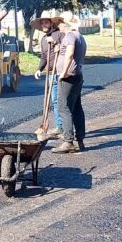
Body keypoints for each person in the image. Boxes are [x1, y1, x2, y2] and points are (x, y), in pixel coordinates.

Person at [53, 15, 87, 153]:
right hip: (77, 75)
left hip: (69, 76)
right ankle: (80, 141)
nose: (57, 27)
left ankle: (68, 142)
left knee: (63, 107)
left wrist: (63, 73)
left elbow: (70, 54)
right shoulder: (80, 36)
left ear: (64, 24)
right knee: (77, 108)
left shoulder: (70, 36)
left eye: (59, 23)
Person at [30, 16, 65, 139]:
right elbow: (44, 57)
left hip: (60, 72)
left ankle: (64, 126)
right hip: (50, 73)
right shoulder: (44, 39)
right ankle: (60, 126)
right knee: (54, 100)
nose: (44, 25)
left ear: (51, 23)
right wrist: (39, 69)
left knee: (60, 101)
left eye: (46, 22)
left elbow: (66, 51)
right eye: (42, 23)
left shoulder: (60, 35)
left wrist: (57, 44)